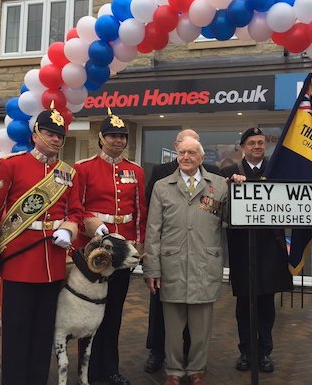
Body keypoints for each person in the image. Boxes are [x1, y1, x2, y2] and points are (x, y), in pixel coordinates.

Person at [0, 106, 83, 385]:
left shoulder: (68, 174)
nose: (56, 139)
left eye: (60, 135)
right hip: (19, 263)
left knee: (43, 332)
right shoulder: (10, 165)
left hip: (53, 264)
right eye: (49, 132)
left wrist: (69, 231)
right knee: (17, 332)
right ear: (35, 134)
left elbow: (76, 213)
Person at [143, 136, 245, 385]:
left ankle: (197, 369)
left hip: (204, 264)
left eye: (191, 153)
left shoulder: (220, 185)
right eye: (182, 153)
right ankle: (174, 371)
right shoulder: (162, 186)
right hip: (171, 265)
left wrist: (239, 190)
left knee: (201, 328)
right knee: (173, 329)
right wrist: (151, 269)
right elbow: (153, 230)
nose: (186, 157)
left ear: (201, 157)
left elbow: (232, 220)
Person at [72, 109, 147, 385]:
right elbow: (76, 209)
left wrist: (138, 247)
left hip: (122, 253)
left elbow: (140, 213)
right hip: (95, 254)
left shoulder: (135, 171)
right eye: (113, 136)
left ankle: (110, 369)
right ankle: (88, 370)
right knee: (90, 313)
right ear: (101, 138)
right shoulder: (83, 168)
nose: (117, 141)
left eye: (122, 136)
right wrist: (93, 227)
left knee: (113, 313)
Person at [220, 127, 292, 373]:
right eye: (251, 143)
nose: (257, 146)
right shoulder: (229, 172)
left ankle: (264, 353)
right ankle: (246, 352)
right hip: (242, 248)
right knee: (244, 305)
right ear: (243, 147)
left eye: (260, 142)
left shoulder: (277, 171)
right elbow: (220, 208)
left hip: (270, 246)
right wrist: (232, 186)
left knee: (266, 304)